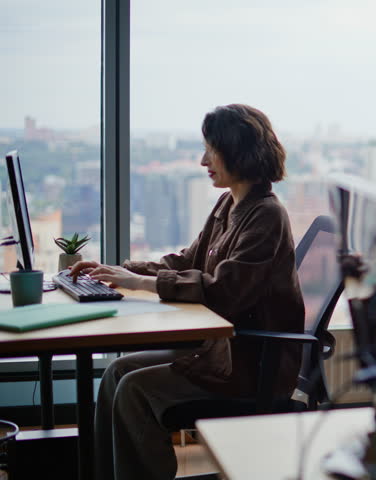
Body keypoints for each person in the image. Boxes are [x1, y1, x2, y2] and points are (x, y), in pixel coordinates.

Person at [73, 104, 306, 480]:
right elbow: (187, 260)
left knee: (133, 389)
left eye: (211, 151)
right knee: (116, 371)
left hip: (248, 365)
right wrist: (123, 271)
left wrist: (142, 284)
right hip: (221, 351)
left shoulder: (266, 216)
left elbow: (224, 293)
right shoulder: (228, 204)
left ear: (237, 152)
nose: (203, 161)